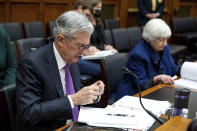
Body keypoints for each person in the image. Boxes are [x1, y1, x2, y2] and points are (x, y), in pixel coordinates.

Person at [16, 11, 105, 131]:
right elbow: (28, 113)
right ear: (60, 40)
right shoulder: (32, 64)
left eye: (86, 47)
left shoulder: (71, 58)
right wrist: (73, 99)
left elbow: (76, 94)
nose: (84, 52)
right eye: (80, 46)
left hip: (74, 125)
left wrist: (93, 93)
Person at [115, 19, 178, 101]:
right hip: (134, 95)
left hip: (156, 92)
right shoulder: (137, 54)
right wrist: (158, 78)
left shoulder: (164, 48)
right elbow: (141, 84)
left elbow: (174, 70)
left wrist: (188, 67)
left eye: (166, 39)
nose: (165, 43)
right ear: (151, 38)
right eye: (161, 40)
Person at [78, 0, 118, 78]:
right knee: (106, 70)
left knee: (116, 64)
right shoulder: (83, 23)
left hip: (99, 53)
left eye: (100, 7)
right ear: (90, 8)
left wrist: (107, 47)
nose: (100, 10)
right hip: (89, 55)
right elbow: (82, 42)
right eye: (98, 7)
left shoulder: (99, 22)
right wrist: (88, 48)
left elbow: (104, 40)